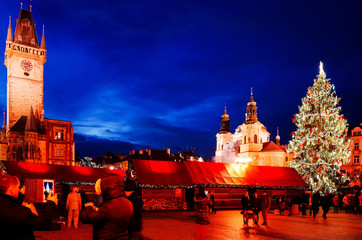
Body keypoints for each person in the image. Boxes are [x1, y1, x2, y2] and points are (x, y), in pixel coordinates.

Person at [0, 174, 58, 240]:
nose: (19, 190)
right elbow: (43, 223)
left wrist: (22, 196)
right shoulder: (20, 213)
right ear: (12, 189)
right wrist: (50, 203)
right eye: (18, 187)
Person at [80, 174, 133, 240]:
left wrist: (89, 207)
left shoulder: (109, 206)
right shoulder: (128, 203)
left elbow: (86, 217)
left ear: (108, 187)